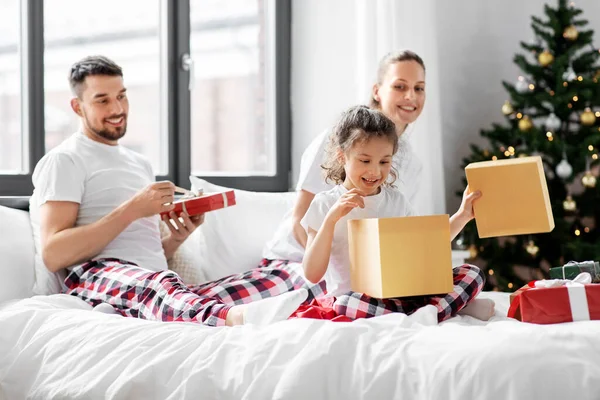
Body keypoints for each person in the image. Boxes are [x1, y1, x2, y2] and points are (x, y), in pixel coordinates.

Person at [29, 55, 307, 327]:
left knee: (283, 274)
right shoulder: (65, 159)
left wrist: (176, 238)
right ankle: (229, 318)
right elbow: (54, 254)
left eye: (122, 96)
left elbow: (142, 250)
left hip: (155, 281)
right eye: (102, 100)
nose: (117, 108)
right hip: (98, 275)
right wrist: (133, 209)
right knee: (159, 285)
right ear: (77, 107)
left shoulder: (139, 163)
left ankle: (212, 311)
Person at [260, 50, 427, 299]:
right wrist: (337, 269)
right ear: (377, 91)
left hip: (363, 276)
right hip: (298, 259)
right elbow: (299, 223)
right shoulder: (338, 141)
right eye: (400, 86)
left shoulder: (412, 162)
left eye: (419, 88)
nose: (410, 96)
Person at [301, 105, 490, 323]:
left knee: (472, 273)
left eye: (384, 162)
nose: (375, 171)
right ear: (342, 157)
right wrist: (331, 219)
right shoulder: (324, 204)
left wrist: (463, 215)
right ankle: (439, 311)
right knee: (344, 304)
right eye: (365, 161)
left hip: (403, 296)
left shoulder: (397, 201)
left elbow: (428, 244)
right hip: (357, 300)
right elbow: (312, 273)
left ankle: (421, 312)